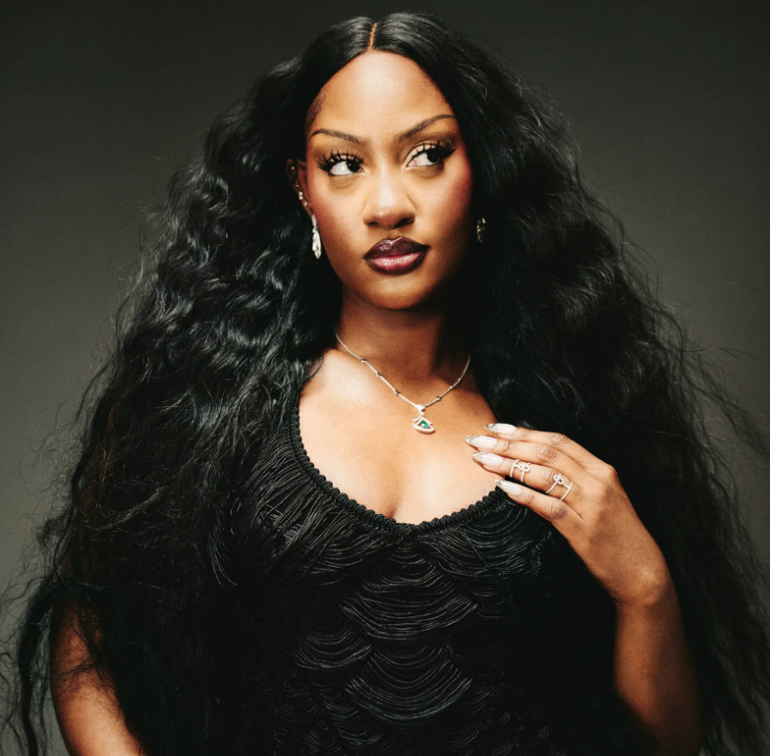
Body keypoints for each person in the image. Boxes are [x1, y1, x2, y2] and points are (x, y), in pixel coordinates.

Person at [2, 11, 769, 756]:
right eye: (344, 163)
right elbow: (89, 640)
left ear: (483, 168)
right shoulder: (208, 405)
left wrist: (644, 585)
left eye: (427, 154)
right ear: (302, 187)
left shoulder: (572, 405)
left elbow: (666, 745)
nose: (388, 205)